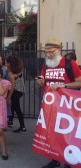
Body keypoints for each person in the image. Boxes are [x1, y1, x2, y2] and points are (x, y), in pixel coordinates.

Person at [37, 38, 81, 168]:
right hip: (50, 105)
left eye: (51, 52)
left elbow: (79, 82)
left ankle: (68, 160)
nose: (48, 55)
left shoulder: (70, 63)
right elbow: (44, 83)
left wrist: (64, 85)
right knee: (51, 133)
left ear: (59, 50)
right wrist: (41, 83)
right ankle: (54, 159)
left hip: (68, 107)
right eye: (46, 52)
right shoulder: (46, 64)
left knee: (67, 134)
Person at [5, 56, 26, 133]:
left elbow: (12, 85)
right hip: (21, 91)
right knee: (14, 107)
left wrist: (9, 97)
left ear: (9, 64)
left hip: (15, 91)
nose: (5, 63)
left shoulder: (11, 73)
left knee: (17, 109)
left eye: (6, 62)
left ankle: (23, 127)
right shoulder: (19, 70)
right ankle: (10, 120)